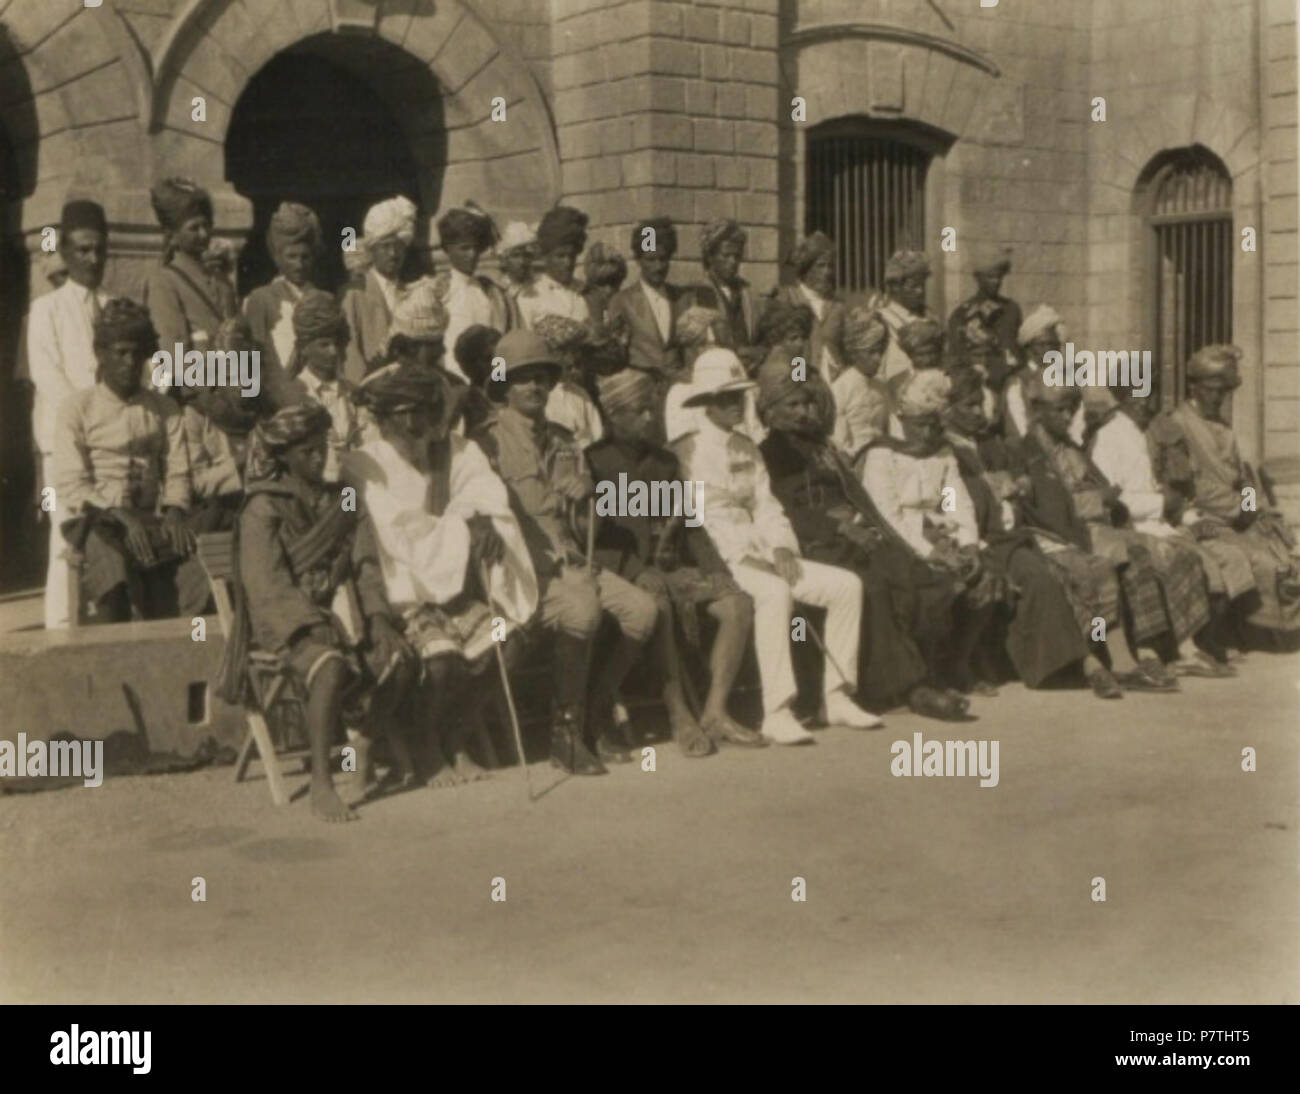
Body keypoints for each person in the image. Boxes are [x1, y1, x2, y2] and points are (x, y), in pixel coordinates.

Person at [471, 329, 659, 773]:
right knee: (582, 611)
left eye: (541, 377)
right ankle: (565, 731)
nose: (534, 387)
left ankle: (592, 711)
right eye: (521, 378)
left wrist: (586, 499)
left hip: (573, 562)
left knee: (643, 611)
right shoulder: (486, 442)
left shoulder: (563, 439)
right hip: (521, 572)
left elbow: (586, 527)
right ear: (504, 385)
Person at [672, 348, 880, 744]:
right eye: (724, 398)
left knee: (845, 586)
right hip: (727, 558)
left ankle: (836, 696)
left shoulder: (746, 446)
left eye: (739, 396)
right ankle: (777, 710)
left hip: (766, 551)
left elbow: (767, 505)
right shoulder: (693, 452)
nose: (735, 404)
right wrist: (755, 558)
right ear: (706, 404)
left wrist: (783, 548)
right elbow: (710, 518)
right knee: (774, 593)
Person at [223, 403, 418, 822]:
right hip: (282, 626)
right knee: (328, 665)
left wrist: (380, 618)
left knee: (401, 656)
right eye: (307, 450)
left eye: (322, 447)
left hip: (338, 613)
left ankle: (363, 742)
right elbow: (266, 586)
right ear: (283, 456)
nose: (319, 457)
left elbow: (366, 566)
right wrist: (310, 626)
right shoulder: (263, 508)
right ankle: (323, 786)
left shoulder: (343, 499)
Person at [345, 365, 538, 788]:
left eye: (422, 414)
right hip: (402, 593)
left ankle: (455, 734)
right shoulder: (364, 463)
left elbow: (485, 493)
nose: (414, 428)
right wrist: (462, 524)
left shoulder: (458, 450)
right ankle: (427, 746)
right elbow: (396, 527)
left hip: (455, 587)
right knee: (442, 658)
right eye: (402, 417)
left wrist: (478, 516)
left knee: (510, 642)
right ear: (381, 421)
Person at [756, 361, 971, 720]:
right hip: (812, 542)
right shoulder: (769, 454)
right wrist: (837, 528)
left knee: (915, 575)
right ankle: (908, 688)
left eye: (807, 403)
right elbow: (780, 511)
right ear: (770, 411)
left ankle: (927, 674)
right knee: (872, 586)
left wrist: (878, 530)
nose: (803, 412)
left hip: (854, 534)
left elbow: (858, 498)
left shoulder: (822, 446)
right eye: (792, 405)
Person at [587, 369, 763, 756]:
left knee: (738, 604)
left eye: (650, 409)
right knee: (658, 605)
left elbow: (690, 525)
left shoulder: (663, 462)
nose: (650, 418)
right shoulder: (595, 462)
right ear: (615, 415)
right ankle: (679, 713)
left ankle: (715, 711)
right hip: (625, 571)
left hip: (673, 566)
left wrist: (715, 568)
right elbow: (594, 540)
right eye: (639, 411)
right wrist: (636, 569)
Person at [1018, 375, 1216, 687]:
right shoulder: (1029, 451)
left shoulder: (1069, 446)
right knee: (1117, 564)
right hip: (1059, 534)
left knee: (1145, 555)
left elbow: (1099, 487)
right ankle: (1120, 657)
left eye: (1072, 408)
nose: (1068, 417)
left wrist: (1104, 500)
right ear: (1039, 409)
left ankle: (1153, 651)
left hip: (1095, 526)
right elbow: (1050, 508)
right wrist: (1100, 500)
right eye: (1060, 410)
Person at [942, 370, 1130, 698]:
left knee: (1098, 570)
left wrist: (1018, 485)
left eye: (980, 405)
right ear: (948, 408)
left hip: (1017, 530)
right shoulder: (945, 450)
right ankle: (1087, 664)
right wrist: (988, 493)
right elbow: (949, 503)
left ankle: (1103, 649)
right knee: (1047, 576)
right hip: (981, 536)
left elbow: (1022, 487)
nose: (979, 413)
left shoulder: (990, 444)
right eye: (970, 406)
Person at [52, 299, 200, 623]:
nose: (129, 362)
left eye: (137, 353)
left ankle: (182, 656)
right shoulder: (77, 408)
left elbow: (178, 471)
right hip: (96, 521)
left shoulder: (164, 409)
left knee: (195, 568)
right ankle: (112, 659)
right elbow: (72, 484)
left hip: (150, 519)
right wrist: (121, 518)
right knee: (112, 570)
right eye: (119, 352)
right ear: (100, 353)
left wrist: (175, 511)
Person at [860, 371, 1005, 697]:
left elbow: (955, 501)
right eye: (919, 424)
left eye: (933, 424)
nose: (927, 432)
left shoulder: (941, 454)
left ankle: (959, 660)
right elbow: (887, 514)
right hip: (897, 538)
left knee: (986, 571)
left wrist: (966, 542)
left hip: (937, 528)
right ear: (902, 419)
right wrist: (929, 550)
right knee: (934, 582)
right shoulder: (883, 455)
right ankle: (926, 673)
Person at [1148, 344, 1300, 640]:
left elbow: (1243, 479)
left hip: (1238, 515)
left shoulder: (1222, 426)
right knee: (1263, 562)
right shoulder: (1178, 425)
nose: (1218, 397)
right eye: (1211, 389)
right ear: (1194, 386)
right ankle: (1251, 631)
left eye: (1223, 391)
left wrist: (1249, 507)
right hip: (1203, 517)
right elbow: (1187, 486)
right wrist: (1236, 509)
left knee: (1284, 551)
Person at [26, 200, 113, 628]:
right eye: (82, 250)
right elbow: (48, 376)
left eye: (98, 249)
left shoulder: (116, 307)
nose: (92, 259)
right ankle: (61, 635)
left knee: (108, 543)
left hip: (110, 445)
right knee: (68, 541)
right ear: (63, 251)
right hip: (66, 445)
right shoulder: (46, 310)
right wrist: (95, 421)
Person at [143, 177, 236, 354]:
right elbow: (173, 354)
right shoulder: (164, 282)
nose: (204, 234)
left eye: (207, 225)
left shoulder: (220, 278)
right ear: (172, 235)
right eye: (194, 228)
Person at [242, 202, 322, 404]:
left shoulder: (322, 298)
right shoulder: (261, 299)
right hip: (277, 396)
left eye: (305, 256)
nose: (299, 264)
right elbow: (253, 357)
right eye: (292, 256)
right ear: (277, 258)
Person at [605, 217, 690, 397]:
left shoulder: (682, 299)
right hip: (642, 395)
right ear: (638, 260)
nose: (658, 267)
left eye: (663, 259)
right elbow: (615, 356)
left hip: (678, 391)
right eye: (650, 260)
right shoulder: (622, 301)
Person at [434, 203, 516, 381]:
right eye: (464, 248)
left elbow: (500, 342)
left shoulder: (491, 292)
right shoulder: (439, 291)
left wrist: (499, 380)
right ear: (448, 249)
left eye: (475, 248)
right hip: (453, 382)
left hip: (489, 381)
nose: (472, 255)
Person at [341, 195, 418, 383]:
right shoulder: (355, 293)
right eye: (385, 246)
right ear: (372, 249)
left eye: (398, 246)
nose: (393, 254)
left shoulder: (413, 292)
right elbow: (349, 350)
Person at [285, 290, 360, 483]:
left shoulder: (352, 392)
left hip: (352, 487)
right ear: (304, 348)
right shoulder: (293, 395)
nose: (333, 351)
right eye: (324, 345)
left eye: (337, 344)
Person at [768, 231, 843, 385]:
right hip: (800, 383)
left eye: (830, 266)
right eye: (821, 266)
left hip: (835, 383)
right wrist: (800, 381)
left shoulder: (838, 306)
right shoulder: (789, 300)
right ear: (806, 269)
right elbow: (787, 351)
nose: (827, 272)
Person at [691, 218, 762, 369]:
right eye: (726, 256)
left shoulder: (747, 292)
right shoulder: (700, 292)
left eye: (737, 256)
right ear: (710, 257)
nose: (733, 262)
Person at [829, 303, 892, 468]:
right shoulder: (841, 388)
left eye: (880, 351)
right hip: (853, 463)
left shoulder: (881, 387)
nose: (878, 358)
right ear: (854, 354)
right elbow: (838, 441)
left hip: (883, 459)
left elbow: (888, 429)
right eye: (871, 352)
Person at [532, 314, 604, 449]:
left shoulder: (580, 394)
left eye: (573, 352)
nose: (571, 360)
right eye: (562, 353)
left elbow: (597, 436)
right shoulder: (537, 397)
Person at [517, 205, 592, 328]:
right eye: (560, 256)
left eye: (571, 256)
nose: (567, 262)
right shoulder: (530, 296)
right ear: (546, 257)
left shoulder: (584, 292)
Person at [946, 249, 1022, 367]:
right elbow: (956, 352)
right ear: (978, 278)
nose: (996, 281)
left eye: (999, 276)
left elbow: (1018, 345)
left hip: (1010, 374)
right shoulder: (962, 313)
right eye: (990, 277)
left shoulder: (1012, 309)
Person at [876, 250, 936, 387]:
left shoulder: (928, 316)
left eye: (922, 285)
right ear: (896, 287)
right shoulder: (883, 319)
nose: (920, 291)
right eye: (913, 286)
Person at [581, 242, 628, 330]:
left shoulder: (627, 309)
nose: (608, 290)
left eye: (613, 283)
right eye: (601, 284)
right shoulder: (579, 308)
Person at [495, 221, 537, 298]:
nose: (522, 261)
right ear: (504, 260)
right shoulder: (497, 290)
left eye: (526, 255)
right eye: (516, 256)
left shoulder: (539, 289)